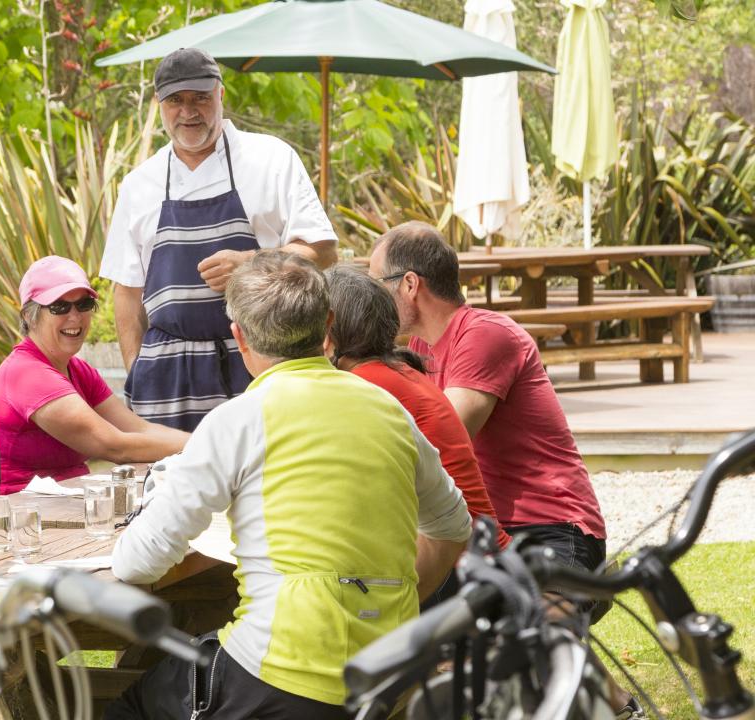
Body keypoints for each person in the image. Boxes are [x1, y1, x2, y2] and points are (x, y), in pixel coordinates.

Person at [107, 251, 471, 719]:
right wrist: (393, 596)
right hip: (387, 669)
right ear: (329, 326)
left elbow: (139, 561)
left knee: (134, 700)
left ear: (238, 336)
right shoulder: (388, 409)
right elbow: (453, 525)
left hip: (284, 669)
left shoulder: (238, 420)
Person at [368, 222, 637, 714]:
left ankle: (611, 697)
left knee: (532, 645)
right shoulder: (422, 350)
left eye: (377, 285)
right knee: (401, 623)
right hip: (482, 535)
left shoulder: (485, 334)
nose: (373, 301)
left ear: (409, 284)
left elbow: (445, 439)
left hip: (552, 526)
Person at [101, 48, 338, 431]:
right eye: (175, 100)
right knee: (170, 486)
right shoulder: (139, 184)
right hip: (167, 379)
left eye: (200, 98)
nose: (189, 111)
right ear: (158, 104)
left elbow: (323, 251)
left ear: (221, 94)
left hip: (260, 364)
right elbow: (127, 293)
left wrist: (251, 262)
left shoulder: (270, 159)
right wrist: (137, 372)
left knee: (264, 481)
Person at [323, 265, 511, 601]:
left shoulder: (363, 384)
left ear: (327, 331)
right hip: (481, 555)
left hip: (459, 566)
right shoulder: (394, 371)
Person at [0, 256, 189, 494]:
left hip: (66, 506)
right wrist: (213, 447)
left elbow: (138, 429)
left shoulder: (78, 370)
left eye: (83, 304)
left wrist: (209, 443)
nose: (75, 316)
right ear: (29, 316)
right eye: (59, 306)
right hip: (22, 517)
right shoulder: (28, 373)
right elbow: (115, 447)